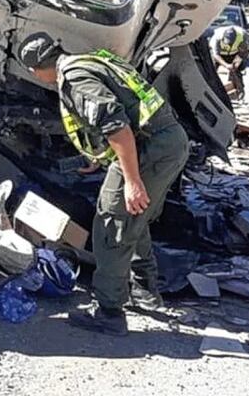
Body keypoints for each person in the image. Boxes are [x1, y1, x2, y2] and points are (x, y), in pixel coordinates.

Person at [18, 33, 189, 336]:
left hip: (149, 149)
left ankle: (110, 312)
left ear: (35, 70)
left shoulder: (74, 79)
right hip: (167, 142)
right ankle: (146, 292)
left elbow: (117, 126)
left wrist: (132, 181)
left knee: (112, 224)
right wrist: (99, 158)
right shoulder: (89, 60)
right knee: (136, 216)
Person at [210, 25, 249, 99]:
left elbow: (244, 52)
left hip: (234, 53)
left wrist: (236, 64)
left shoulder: (243, 35)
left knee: (237, 70)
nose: (229, 43)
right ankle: (212, 90)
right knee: (211, 71)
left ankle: (238, 91)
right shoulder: (217, 37)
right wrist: (226, 65)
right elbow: (215, 55)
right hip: (220, 54)